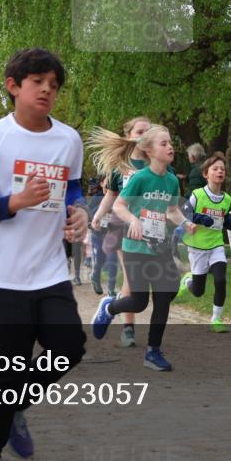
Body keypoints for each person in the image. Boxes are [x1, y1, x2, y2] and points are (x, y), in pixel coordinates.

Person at [0, 48, 87, 461]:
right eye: (38, 82)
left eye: (53, 84)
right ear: (14, 86)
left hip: (50, 268)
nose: (47, 90)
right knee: (11, 363)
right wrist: (15, 202)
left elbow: (73, 190)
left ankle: (10, 408)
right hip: (4, 272)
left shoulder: (68, 140)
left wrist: (79, 210)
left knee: (69, 347)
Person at [90, 124, 192, 372]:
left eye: (170, 143)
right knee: (138, 302)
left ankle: (153, 352)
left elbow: (171, 210)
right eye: (164, 144)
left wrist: (187, 223)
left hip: (159, 248)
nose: (170, 147)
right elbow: (119, 206)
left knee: (164, 298)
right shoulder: (139, 178)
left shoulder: (170, 180)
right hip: (135, 247)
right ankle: (110, 307)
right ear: (148, 150)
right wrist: (133, 220)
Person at [88, 116, 165, 348]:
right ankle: (128, 328)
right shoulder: (120, 166)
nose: (145, 134)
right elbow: (111, 195)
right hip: (124, 227)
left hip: (152, 228)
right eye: (140, 131)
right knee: (132, 278)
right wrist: (99, 215)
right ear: (129, 136)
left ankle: (114, 309)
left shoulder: (159, 162)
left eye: (148, 131)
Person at [177, 152, 231, 332]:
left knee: (220, 280)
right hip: (197, 246)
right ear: (206, 174)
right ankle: (188, 281)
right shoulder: (197, 195)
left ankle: (216, 319)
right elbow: (183, 213)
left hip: (216, 245)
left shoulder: (227, 199)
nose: (220, 171)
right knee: (198, 291)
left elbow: (224, 219)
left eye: (222, 169)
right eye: (215, 169)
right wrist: (199, 218)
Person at [87, 176, 117, 296]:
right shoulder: (97, 198)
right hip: (98, 234)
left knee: (113, 260)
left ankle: (111, 288)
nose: (109, 186)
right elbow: (89, 214)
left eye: (111, 183)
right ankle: (95, 277)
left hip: (112, 234)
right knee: (100, 260)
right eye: (106, 183)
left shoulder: (118, 198)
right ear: (101, 184)